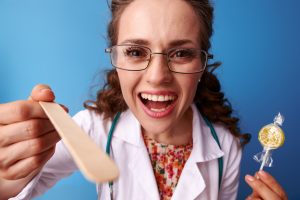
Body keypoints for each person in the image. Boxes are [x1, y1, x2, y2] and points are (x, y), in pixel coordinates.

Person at [0, 0, 288, 199]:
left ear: (201, 64)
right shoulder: (91, 129)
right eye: (136, 52)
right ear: (116, 59)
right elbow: (17, 191)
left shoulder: (226, 146)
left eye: (181, 53)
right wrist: (7, 178)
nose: (157, 76)